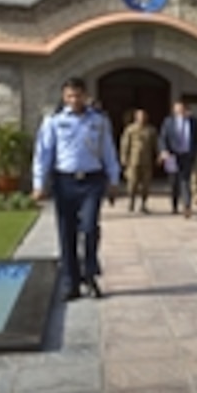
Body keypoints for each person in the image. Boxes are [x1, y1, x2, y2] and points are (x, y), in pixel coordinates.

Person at [32, 77, 121, 301]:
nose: (74, 100)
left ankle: (90, 276)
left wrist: (114, 180)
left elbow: (108, 149)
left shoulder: (99, 120)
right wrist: (38, 184)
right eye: (69, 96)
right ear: (64, 97)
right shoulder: (53, 121)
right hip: (65, 181)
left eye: (78, 95)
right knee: (66, 232)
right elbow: (43, 153)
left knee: (90, 228)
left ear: (85, 95)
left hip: (92, 180)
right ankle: (71, 282)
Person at [158, 99, 197, 218]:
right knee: (174, 181)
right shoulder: (169, 122)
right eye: (177, 108)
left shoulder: (193, 121)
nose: (180, 110)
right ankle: (174, 205)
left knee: (185, 180)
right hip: (172, 155)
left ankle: (187, 206)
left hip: (186, 155)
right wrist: (163, 150)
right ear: (174, 110)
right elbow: (162, 137)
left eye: (181, 108)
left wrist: (195, 152)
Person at [120, 109, 158, 214]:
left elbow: (155, 145)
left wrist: (159, 155)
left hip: (147, 161)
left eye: (144, 116)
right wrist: (124, 158)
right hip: (133, 161)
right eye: (140, 116)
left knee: (146, 184)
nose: (142, 118)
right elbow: (125, 144)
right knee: (132, 183)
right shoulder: (130, 130)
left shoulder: (151, 130)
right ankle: (131, 201)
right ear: (136, 117)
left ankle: (143, 204)